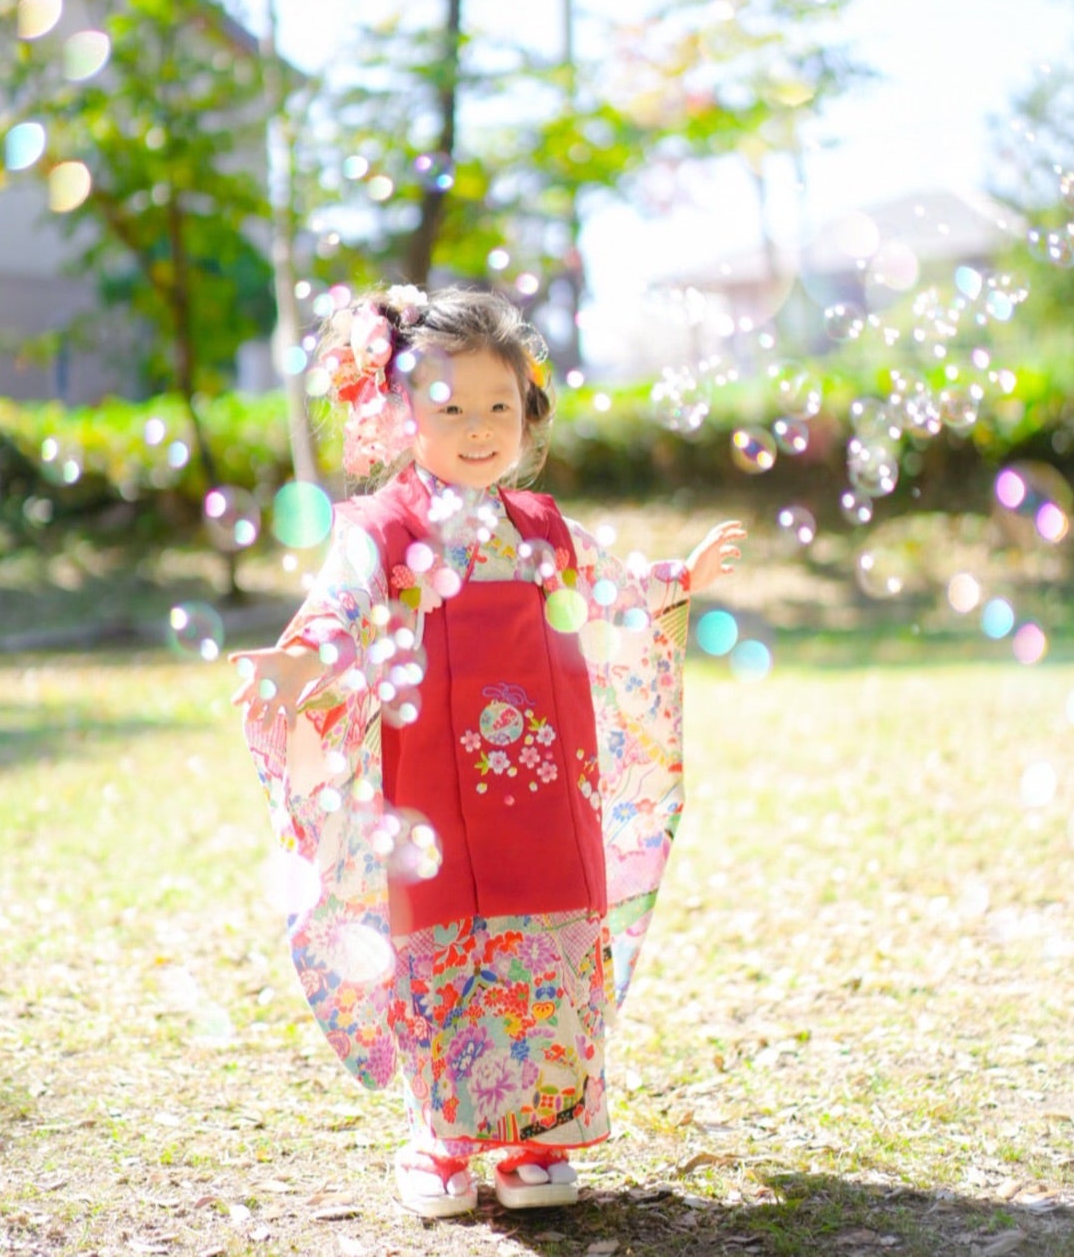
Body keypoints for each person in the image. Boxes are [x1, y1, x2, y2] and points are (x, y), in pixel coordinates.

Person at [231, 285, 744, 1219]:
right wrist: (299, 665)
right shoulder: (382, 529)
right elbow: (341, 615)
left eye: (499, 405)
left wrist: (679, 577)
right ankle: (441, 1137)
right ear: (401, 412)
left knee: (550, 936)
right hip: (429, 785)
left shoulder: (541, 527)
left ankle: (539, 1134)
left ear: (528, 411)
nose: (478, 427)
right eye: (451, 405)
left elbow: (613, 591)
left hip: (548, 790)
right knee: (441, 941)